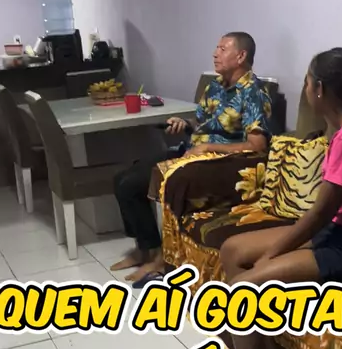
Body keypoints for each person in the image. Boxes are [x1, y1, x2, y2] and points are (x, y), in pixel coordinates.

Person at [220, 47, 342, 349]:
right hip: (340, 231)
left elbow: (320, 214)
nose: (304, 89)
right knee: (231, 249)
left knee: (242, 289)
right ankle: (256, 346)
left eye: (306, 82)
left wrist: (271, 256)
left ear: (319, 89)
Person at [112, 32, 272, 286]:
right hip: (192, 151)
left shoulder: (253, 92)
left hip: (220, 164)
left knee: (142, 183)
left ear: (241, 56)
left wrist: (209, 146)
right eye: (216, 48)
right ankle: (145, 249)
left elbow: (258, 146)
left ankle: (162, 260)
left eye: (223, 49)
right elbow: (201, 124)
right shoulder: (215, 86)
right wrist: (184, 124)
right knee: (123, 180)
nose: (215, 53)